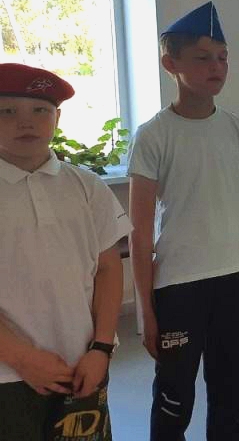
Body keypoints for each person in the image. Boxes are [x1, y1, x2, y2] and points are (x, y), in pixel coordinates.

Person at [128, 2, 239, 441]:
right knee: (174, 395)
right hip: (178, 286)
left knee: (229, 390)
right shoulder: (154, 135)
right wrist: (146, 309)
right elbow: (139, 230)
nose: (216, 67)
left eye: (222, 57)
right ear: (171, 64)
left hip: (234, 279)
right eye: (202, 57)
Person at [0, 64, 130, 441]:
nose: (26, 122)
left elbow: (108, 269)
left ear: (57, 118)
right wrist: (21, 358)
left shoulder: (86, 186)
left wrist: (101, 348)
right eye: (8, 111)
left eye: (40, 110)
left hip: (82, 365)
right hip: (7, 376)